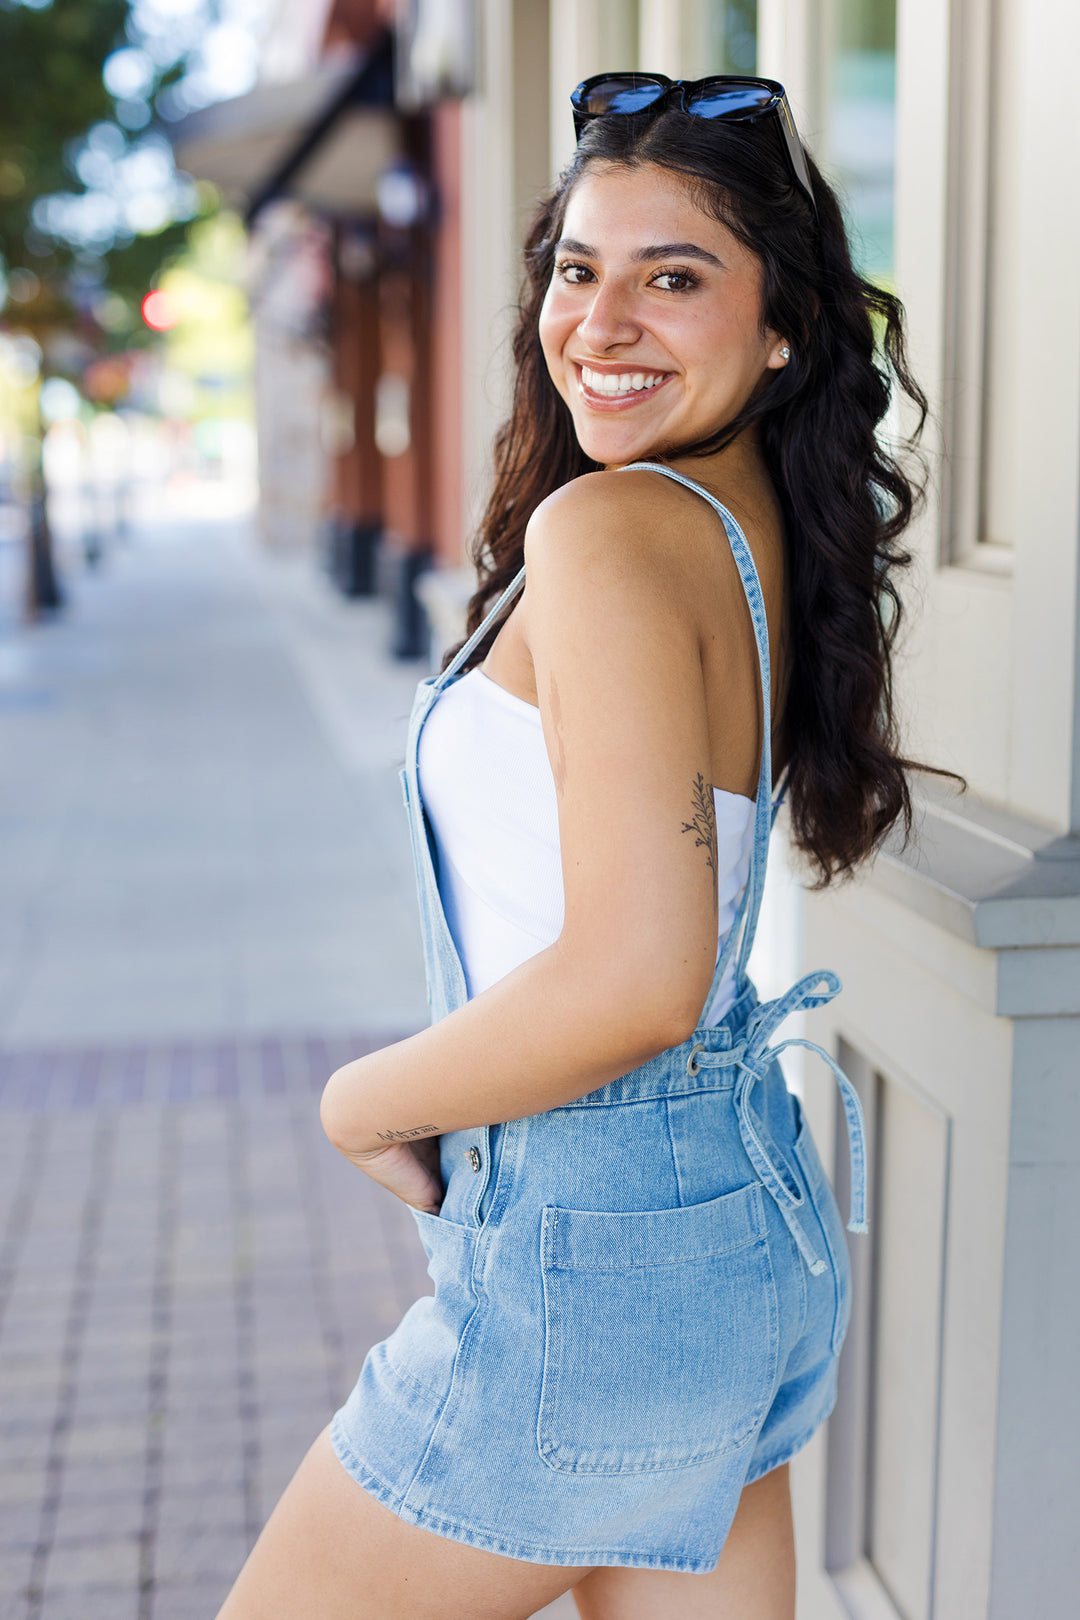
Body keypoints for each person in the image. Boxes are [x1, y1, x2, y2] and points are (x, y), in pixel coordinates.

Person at [219, 72, 940, 1620]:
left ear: (783, 327)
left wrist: (365, 1098)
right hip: (731, 1232)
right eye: (576, 270)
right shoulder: (739, 525)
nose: (600, 324)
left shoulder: (610, 532)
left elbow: (636, 977)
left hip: (590, 1253)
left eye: (673, 278)